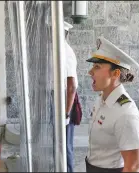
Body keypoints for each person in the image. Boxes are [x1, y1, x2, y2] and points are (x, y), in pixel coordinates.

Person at [85, 36, 139, 172]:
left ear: (115, 73)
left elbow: (133, 166)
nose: (90, 72)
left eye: (97, 67)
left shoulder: (126, 114)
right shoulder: (101, 99)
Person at [64, 21, 79, 173]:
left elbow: (72, 85)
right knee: (60, 141)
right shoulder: (57, 49)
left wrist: (66, 112)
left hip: (64, 99)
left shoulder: (65, 51)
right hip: (59, 96)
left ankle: (69, 170)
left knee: (66, 143)